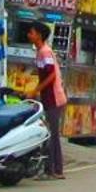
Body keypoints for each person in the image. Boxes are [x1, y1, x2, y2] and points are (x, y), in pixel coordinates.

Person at [27, 22, 66, 180]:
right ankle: (51, 168)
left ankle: (55, 170)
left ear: (39, 35)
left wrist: (35, 90)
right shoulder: (41, 52)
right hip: (48, 97)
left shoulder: (45, 52)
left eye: (32, 32)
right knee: (50, 133)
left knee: (52, 134)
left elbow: (51, 75)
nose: (29, 34)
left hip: (54, 97)